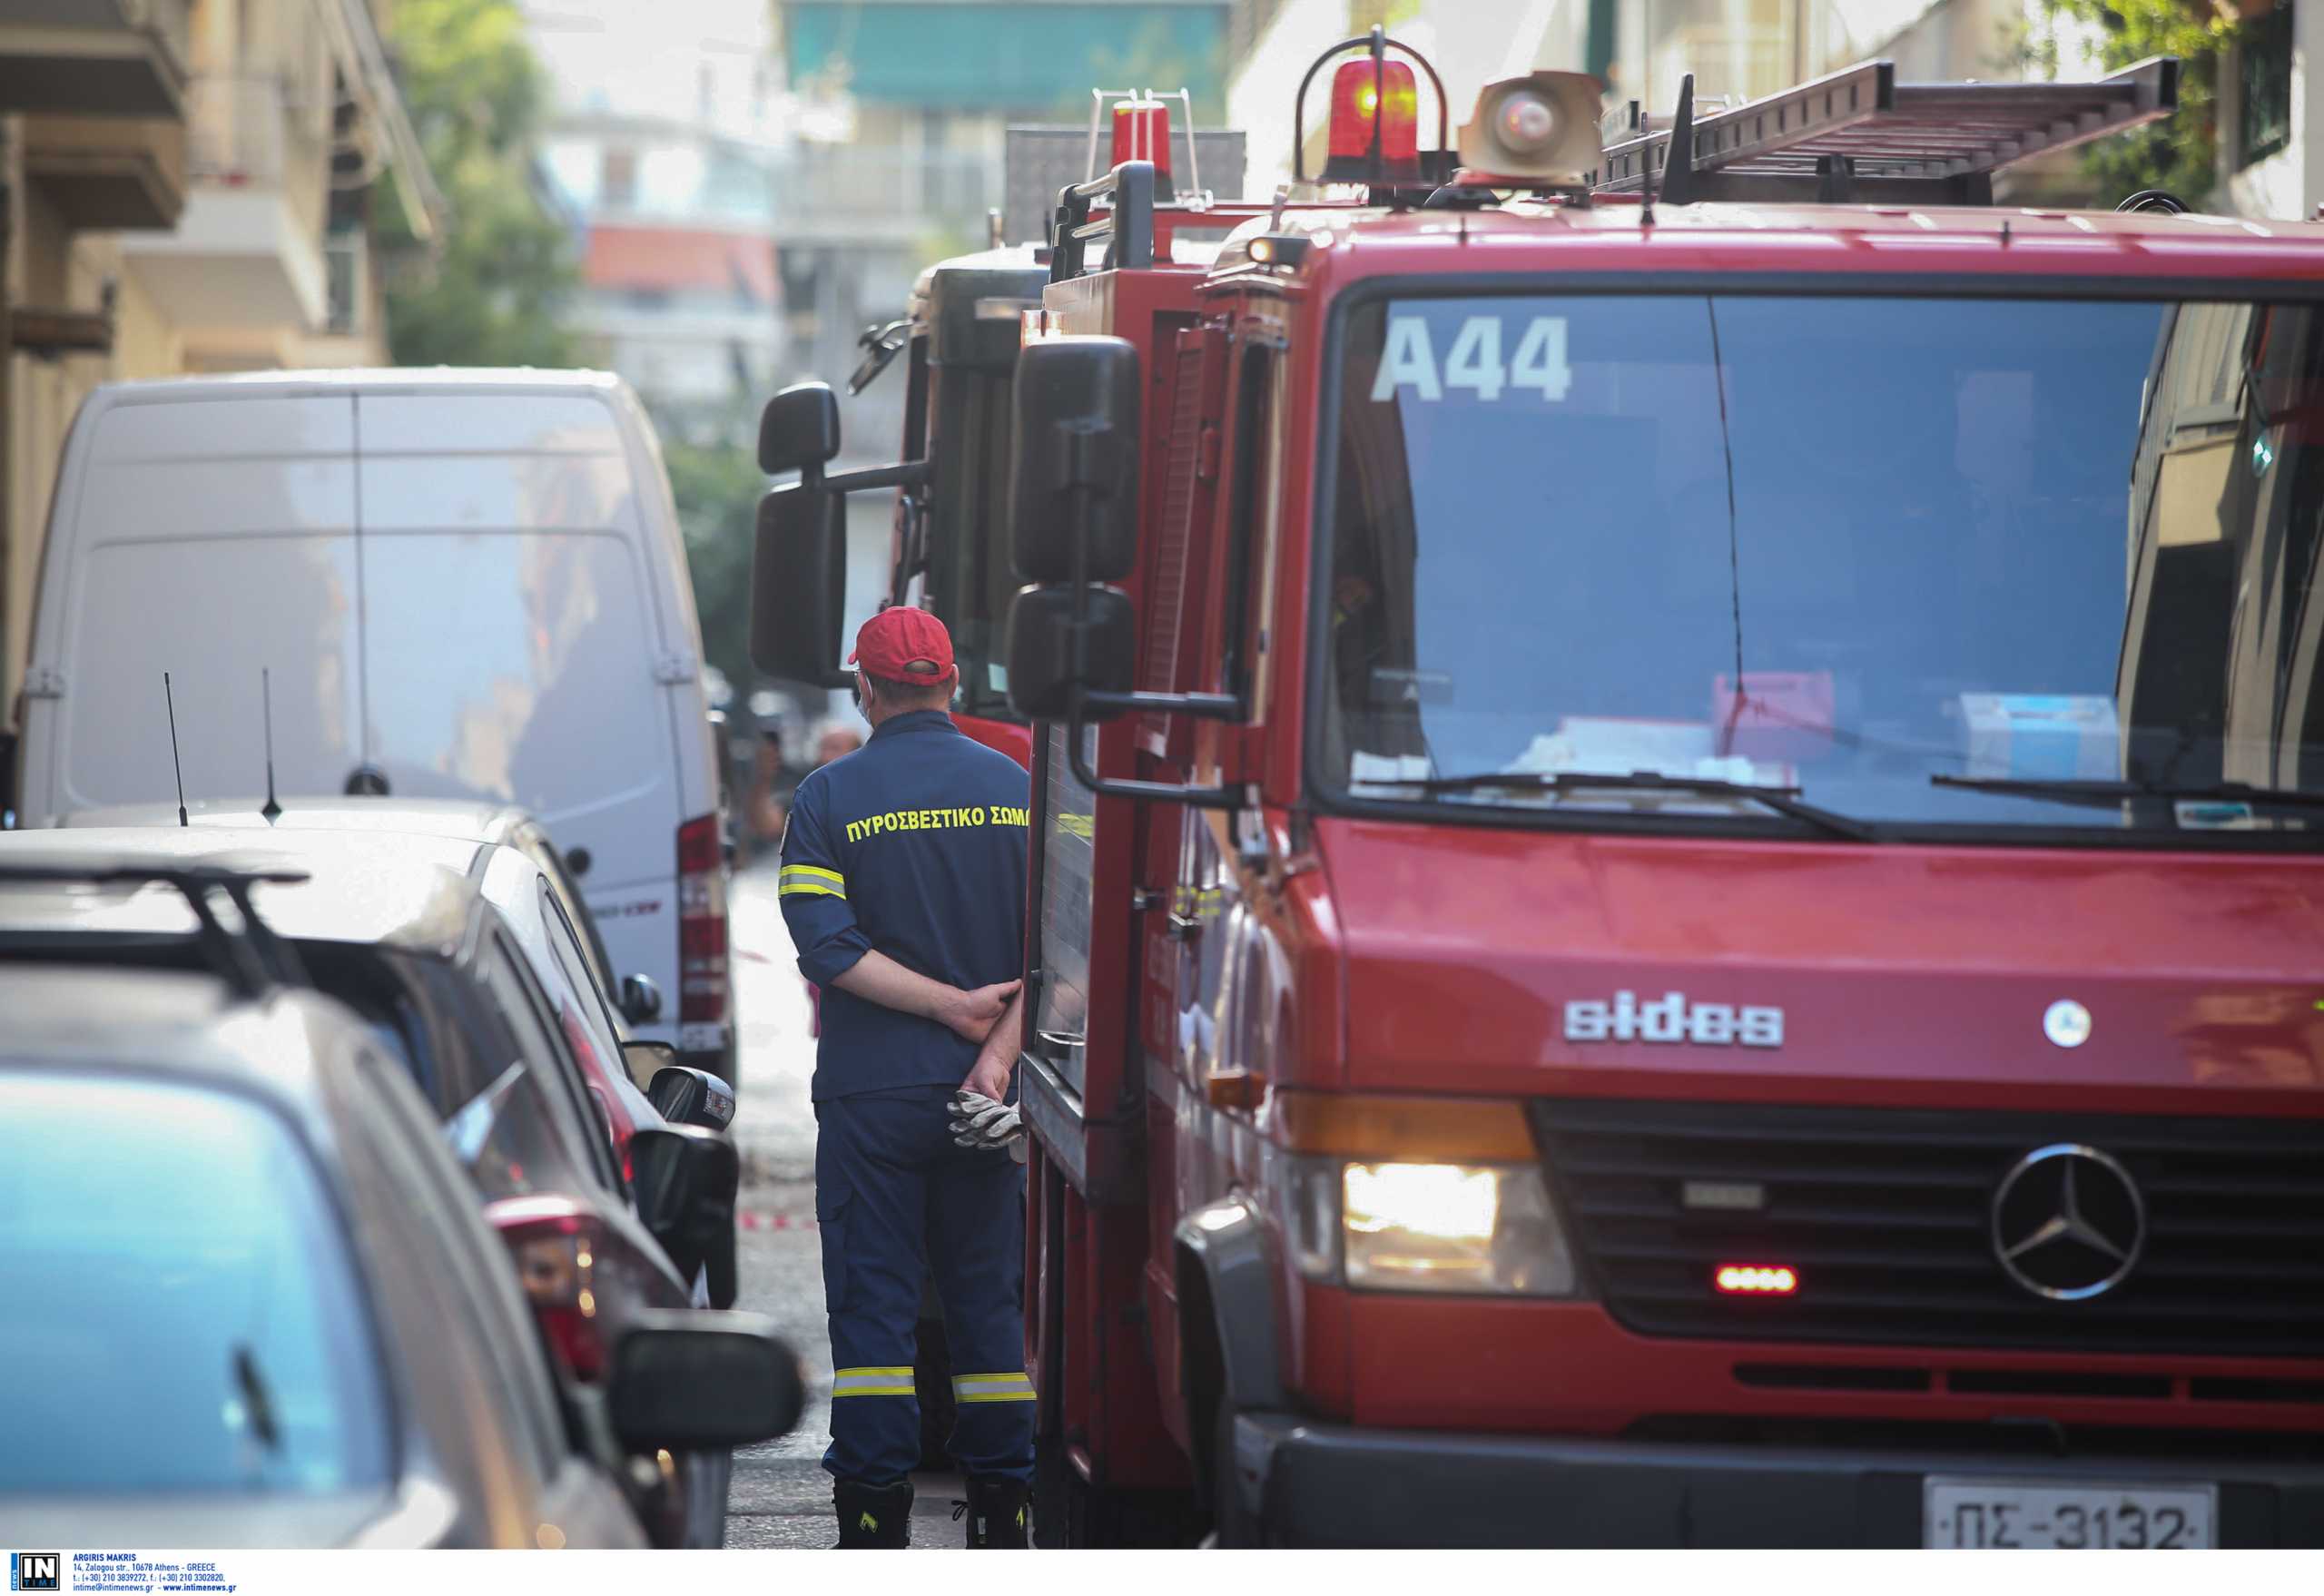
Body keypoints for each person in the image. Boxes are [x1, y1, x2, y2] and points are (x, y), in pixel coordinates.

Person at [776, 606, 1034, 1550]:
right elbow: (1063, 957)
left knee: (876, 1317)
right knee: (988, 1309)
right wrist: (994, 1049)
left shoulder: (829, 797)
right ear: (954, 683)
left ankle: (876, 1523)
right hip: (987, 1098)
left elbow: (826, 948)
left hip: (874, 1098)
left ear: (867, 690)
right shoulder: (1018, 790)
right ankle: (1004, 1514)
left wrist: (940, 1007)